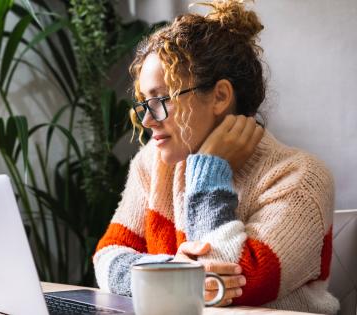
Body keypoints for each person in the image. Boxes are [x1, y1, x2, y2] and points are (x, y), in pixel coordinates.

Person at [92, 0, 340, 314]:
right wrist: (173, 269)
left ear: (220, 96)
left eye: (161, 99)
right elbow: (106, 256)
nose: (147, 120)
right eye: (145, 103)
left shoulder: (301, 177)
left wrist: (209, 171)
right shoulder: (151, 164)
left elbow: (228, 289)